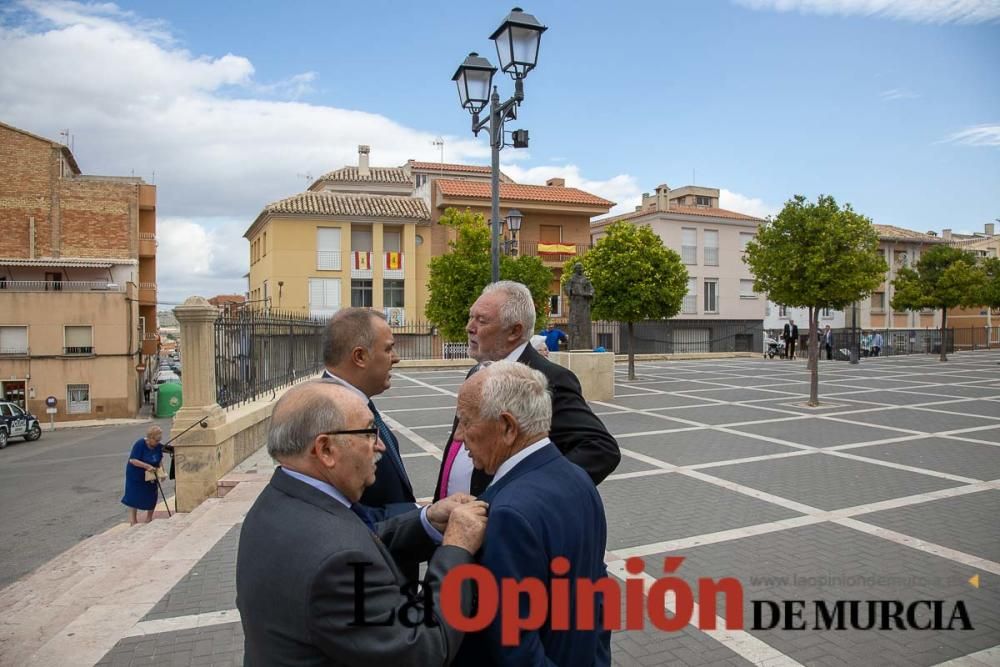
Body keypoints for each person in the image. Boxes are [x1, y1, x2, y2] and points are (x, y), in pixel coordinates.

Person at [236, 380, 488, 666]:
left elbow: (362, 537)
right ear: (326, 450)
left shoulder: (278, 501)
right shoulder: (335, 560)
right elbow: (424, 648)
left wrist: (426, 520)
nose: (380, 444)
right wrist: (456, 549)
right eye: (369, 432)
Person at [452, 361, 610, 666]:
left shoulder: (508, 512)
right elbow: (598, 598)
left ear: (508, 427)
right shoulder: (579, 479)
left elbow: (516, 647)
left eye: (466, 422)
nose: (458, 436)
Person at [434, 281, 620, 500]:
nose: (469, 327)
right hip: (451, 517)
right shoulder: (478, 371)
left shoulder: (547, 379)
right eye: (471, 317)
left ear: (514, 331)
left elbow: (601, 450)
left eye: (481, 320)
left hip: (499, 522)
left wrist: (528, 495)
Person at [321, 308, 413, 517]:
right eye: (389, 349)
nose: (396, 358)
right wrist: (420, 517)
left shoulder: (357, 404)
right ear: (360, 356)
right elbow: (346, 513)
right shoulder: (330, 417)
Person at [121, 425, 164, 526]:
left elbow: (160, 459)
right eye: (156, 440)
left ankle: (149, 518)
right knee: (134, 495)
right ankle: (133, 520)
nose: (158, 443)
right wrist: (147, 466)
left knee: (152, 494)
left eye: (159, 440)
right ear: (150, 438)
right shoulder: (140, 444)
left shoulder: (158, 446)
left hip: (151, 474)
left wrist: (162, 472)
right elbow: (133, 460)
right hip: (136, 473)